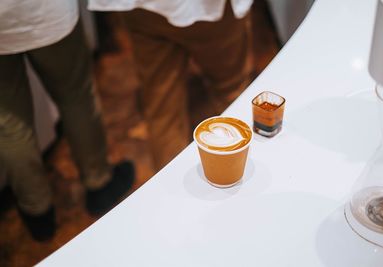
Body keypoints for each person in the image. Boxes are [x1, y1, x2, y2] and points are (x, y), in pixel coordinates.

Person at [0, 0, 134, 241]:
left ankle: (37, 214)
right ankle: (98, 183)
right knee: (76, 95)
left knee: (9, 125)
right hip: (43, 11)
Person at [89, 0, 254, 170]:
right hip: (210, 9)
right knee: (231, 92)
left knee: (162, 111)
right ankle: (234, 174)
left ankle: (173, 191)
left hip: (142, 8)